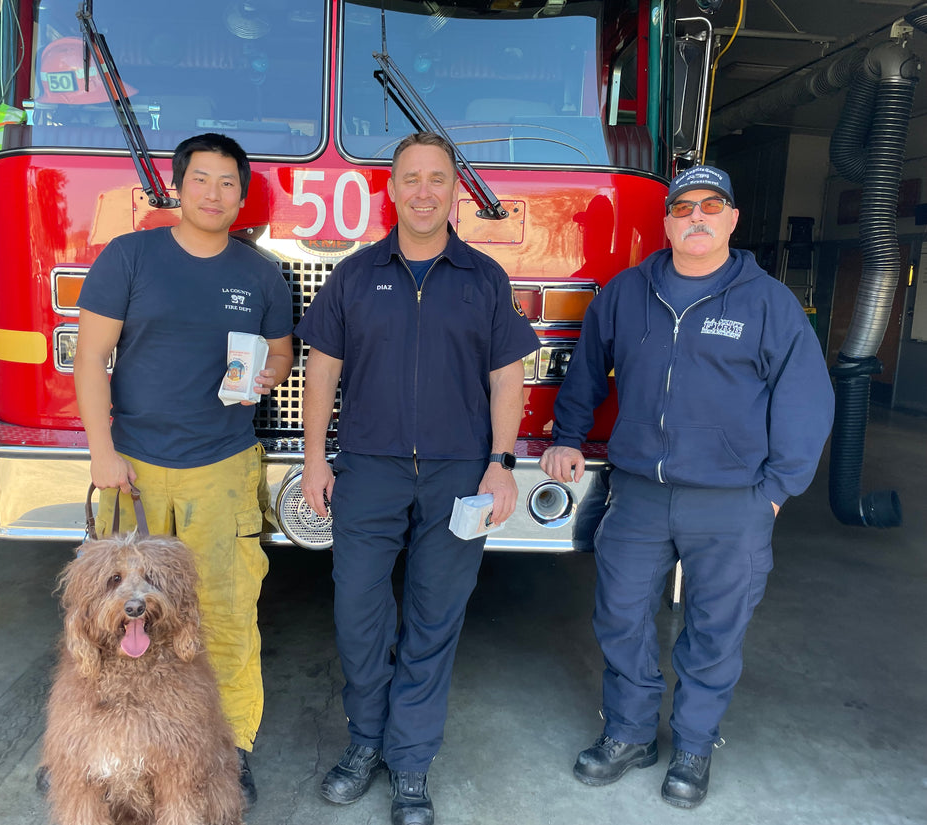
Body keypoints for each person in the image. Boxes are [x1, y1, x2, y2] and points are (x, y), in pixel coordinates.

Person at [541, 165, 835, 809]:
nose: (696, 216)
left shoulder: (769, 303)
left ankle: (695, 746)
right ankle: (629, 734)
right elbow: (588, 368)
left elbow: (806, 400)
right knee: (620, 617)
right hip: (641, 493)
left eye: (711, 205)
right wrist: (567, 435)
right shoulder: (627, 292)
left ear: (731, 220)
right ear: (667, 222)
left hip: (733, 503)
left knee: (714, 630)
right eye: (683, 207)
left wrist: (778, 489)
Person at [296, 132, 539, 825]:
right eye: (411, 179)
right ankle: (364, 742)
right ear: (393, 189)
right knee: (358, 615)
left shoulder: (484, 278)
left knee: (435, 619)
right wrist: (316, 457)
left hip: (459, 473)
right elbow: (322, 371)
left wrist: (500, 462)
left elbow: (506, 376)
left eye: (438, 178)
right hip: (367, 469)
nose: (425, 191)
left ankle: (409, 763)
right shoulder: (354, 273)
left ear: (454, 188)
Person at [73, 132, 294, 809]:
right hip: (133, 467)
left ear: (242, 195)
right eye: (202, 179)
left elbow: (282, 357)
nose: (214, 193)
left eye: (228, 182)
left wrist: (265, 375)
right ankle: (103, 748)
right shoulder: (131, 257)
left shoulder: (260, 274)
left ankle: (230, 748)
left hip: (222, 466)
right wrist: (102, 451)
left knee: (226, 613)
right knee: (108, 616)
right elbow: (90, 357)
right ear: (178, 185)